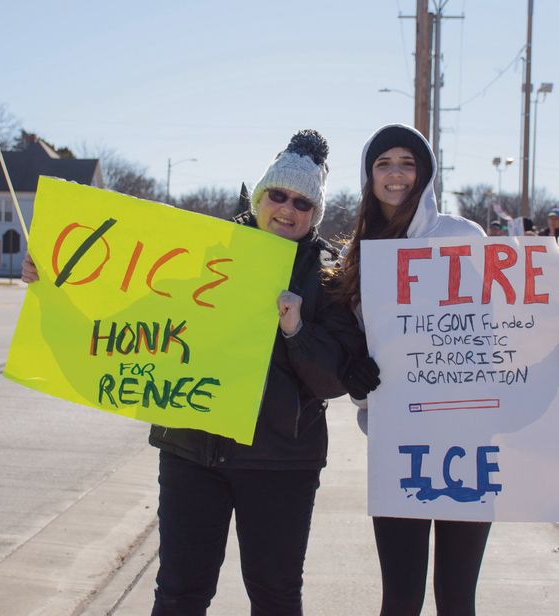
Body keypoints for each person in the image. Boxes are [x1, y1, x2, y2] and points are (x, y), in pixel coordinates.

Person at [22, 129, 360, 616]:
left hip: (281, 464)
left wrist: (296, 329)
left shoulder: (329, 276)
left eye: (302, 202)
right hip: (192, 453)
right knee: (180, 593)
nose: (287, 208)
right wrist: (53, 278)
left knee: (276, 595)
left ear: (316, 212)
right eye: (278, 195)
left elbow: (333, 380)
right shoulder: (205, 251)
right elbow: (129, 307)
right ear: (262, 195)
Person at [333, 124, 559, 616]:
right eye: (384, 163)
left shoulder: (461, 236)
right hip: (399, 441)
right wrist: (357, 382)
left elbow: (506, 330)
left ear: (424, 173)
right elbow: (350, 342)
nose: (396, 174)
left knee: (457, 599)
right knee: (401, 600)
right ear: (368, 173)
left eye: (407, 163)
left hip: (471, 440)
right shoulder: (358, 253)